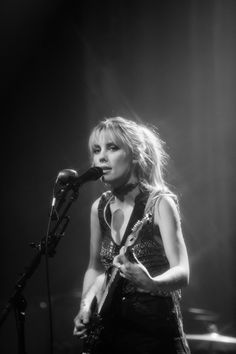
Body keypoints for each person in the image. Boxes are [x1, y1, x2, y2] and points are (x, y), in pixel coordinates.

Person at [73, 116, 190, 354]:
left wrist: (151, 282)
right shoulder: (99, 208)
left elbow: (183, 271)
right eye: (96, 150)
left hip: (154, 337)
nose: (101, 157)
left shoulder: (159, 203)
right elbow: (95, 268)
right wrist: (85, 306)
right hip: (110, 335)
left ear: (136, 155)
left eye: (112, 148)